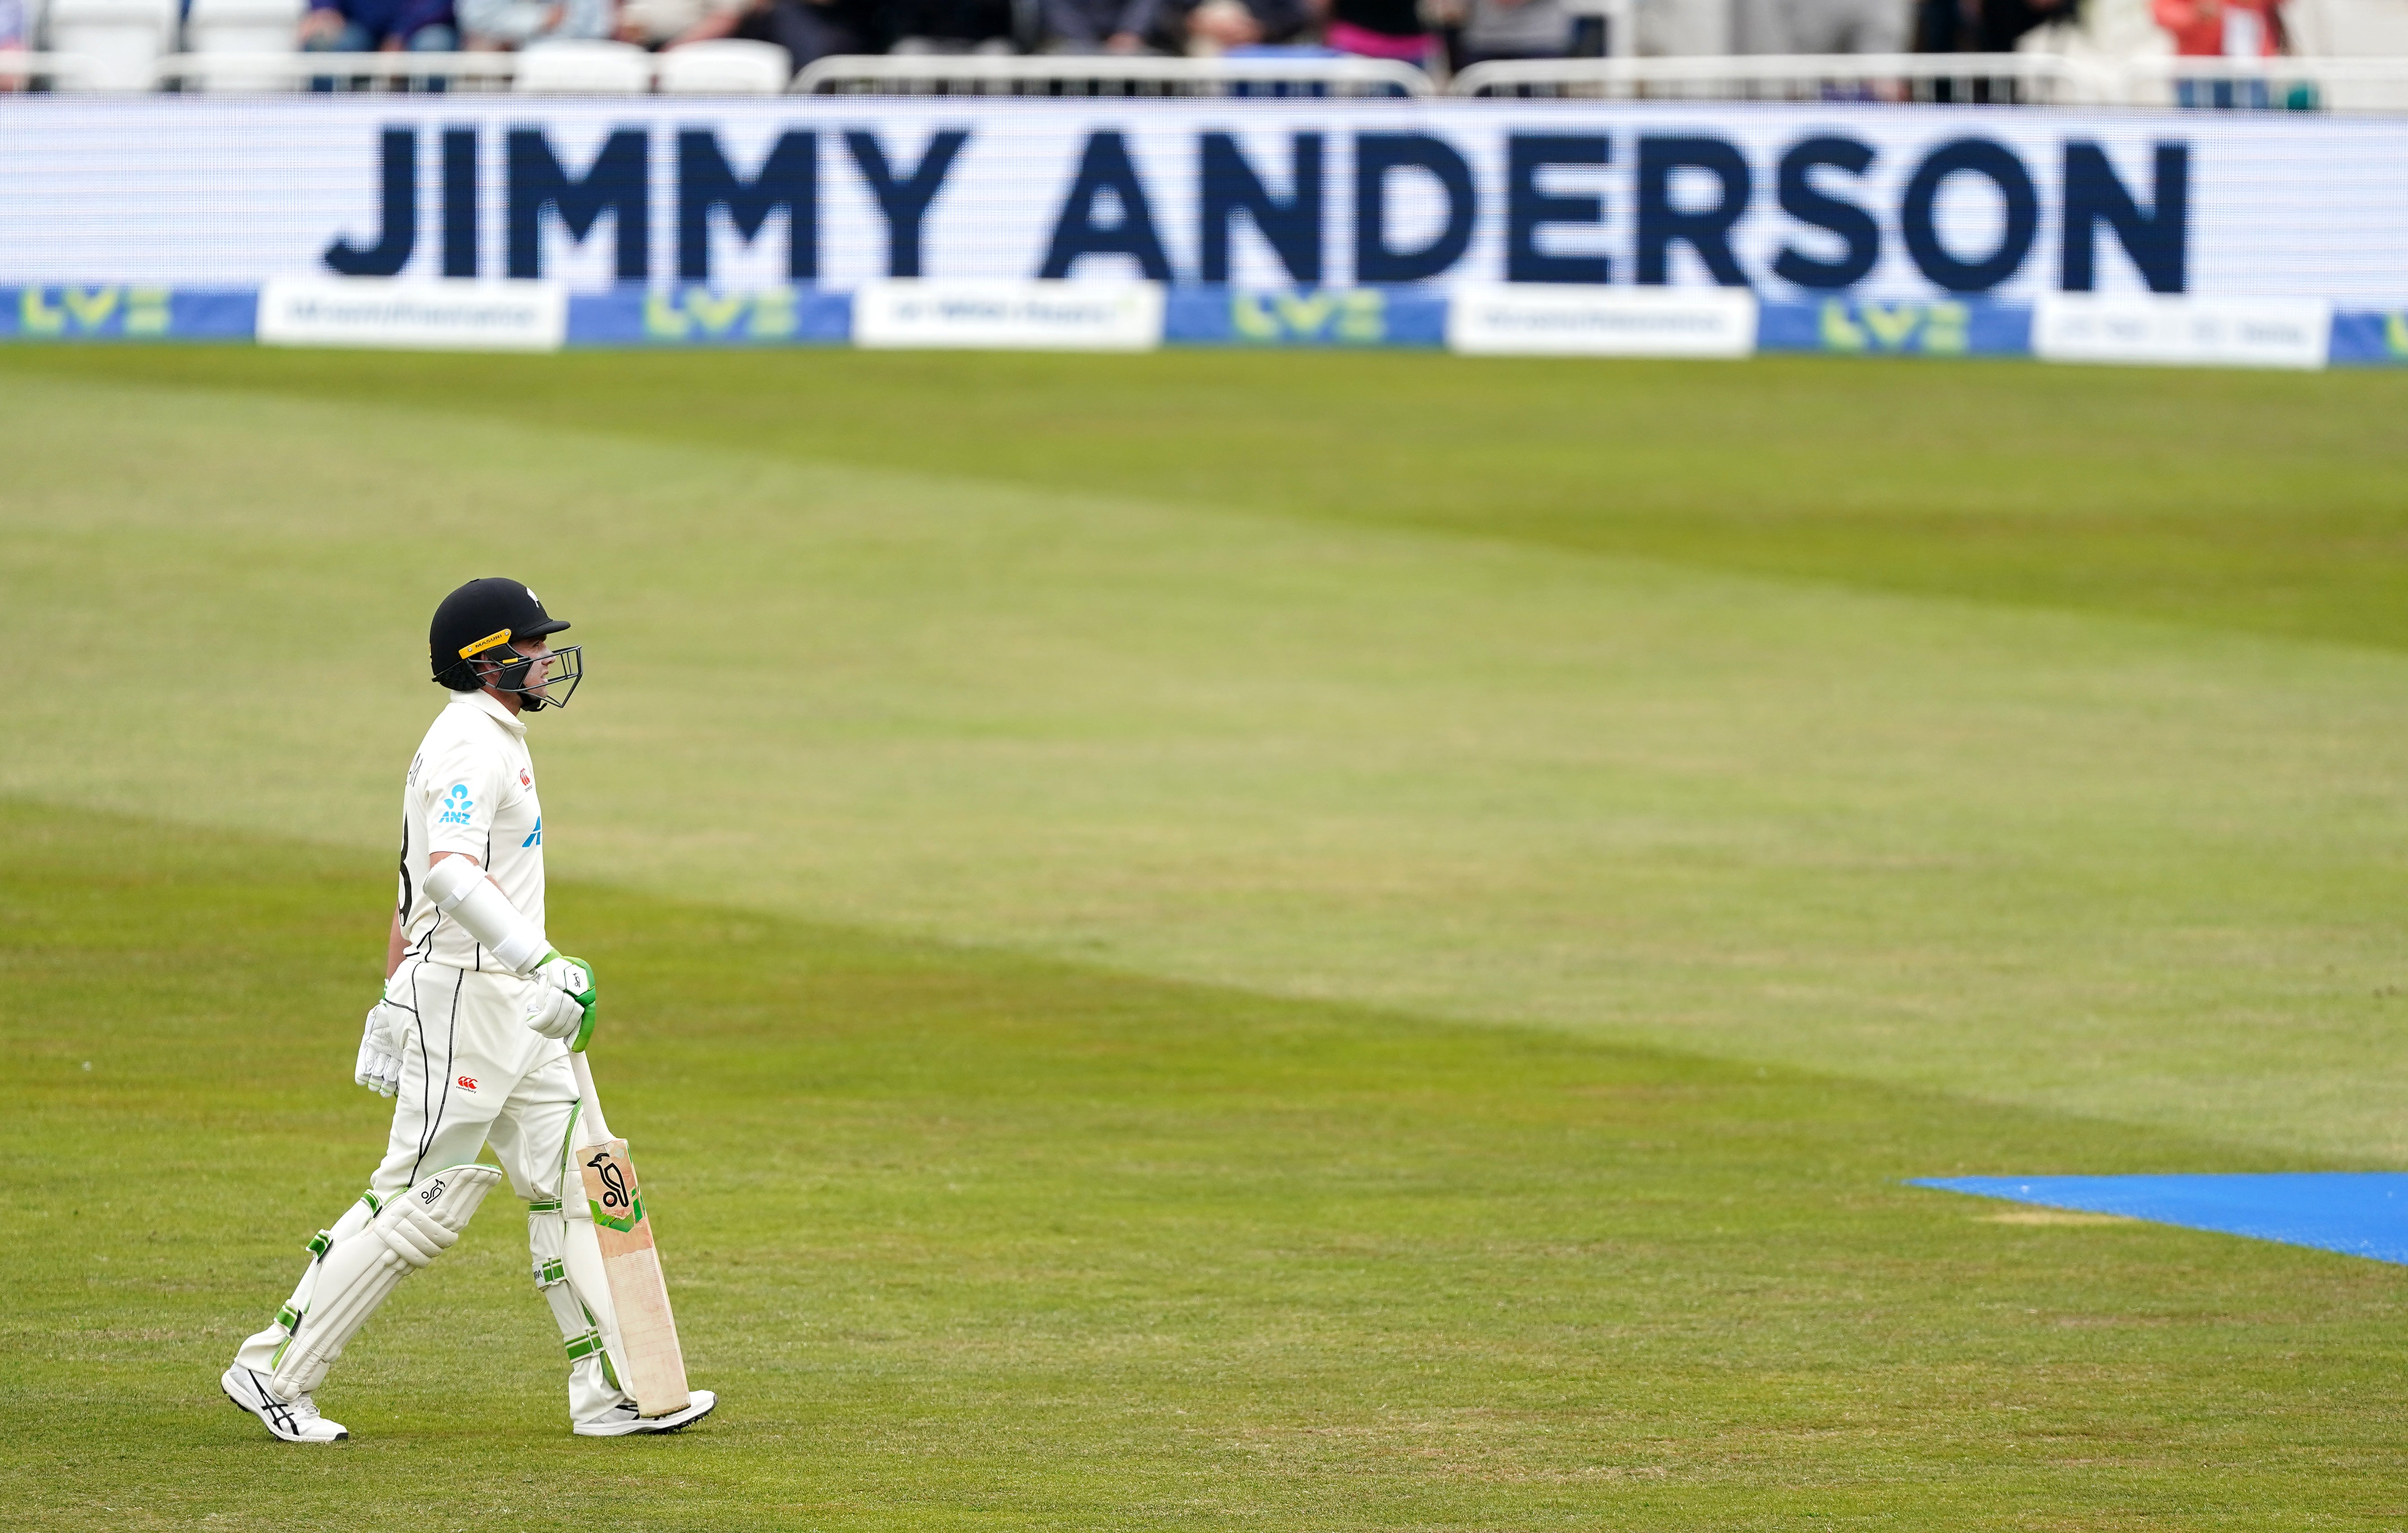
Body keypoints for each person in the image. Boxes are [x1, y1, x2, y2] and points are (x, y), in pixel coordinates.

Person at [221, 578, 716, 1445]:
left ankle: (614, 1392)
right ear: (488, 661)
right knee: (419, 1198)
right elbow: (447, 873)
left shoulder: (491, 736)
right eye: (529, 647)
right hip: (470, 994)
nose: (544, 660)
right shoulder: (468, 746)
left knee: (573, 1186)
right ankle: (272, 1369)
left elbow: (413, 879)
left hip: (511, 1000)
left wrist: (397, 988)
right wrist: (540, 961)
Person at [2154, 0, 2279, 105]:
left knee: (2253, 127)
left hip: (2249, 69)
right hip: (2197, 71)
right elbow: (2163, 12)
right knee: (2199, 127)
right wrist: (2196, 14)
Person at [298, 0, 460, 57]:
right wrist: (325, 9)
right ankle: (332, 122)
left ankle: (429, 116)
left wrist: (400, 34)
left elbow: (437, 5)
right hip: (357, 25)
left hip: (419, 28)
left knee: (433, 46)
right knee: (324, 42)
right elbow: (325, 9)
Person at [456, 0, 612, 47]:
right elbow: (477, 19)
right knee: (482, 50)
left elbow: (596, 25)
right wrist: (540, 20)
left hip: (567, 41)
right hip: (503, 43)